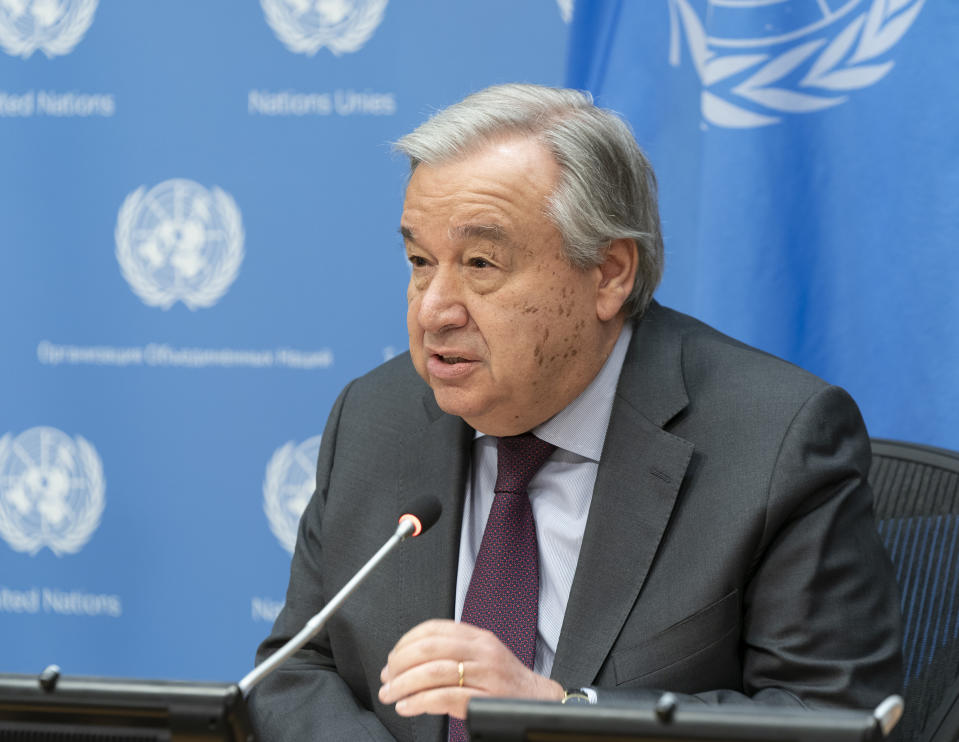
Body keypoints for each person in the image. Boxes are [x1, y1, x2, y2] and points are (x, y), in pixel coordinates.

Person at [249, 84, 902, 741]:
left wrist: (562, 716)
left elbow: (830, 719)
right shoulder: (377, 415)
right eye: (420, 262)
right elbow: (296, 668)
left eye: (480, 263)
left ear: (609, 273)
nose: (431, 310)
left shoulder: (773, 441)